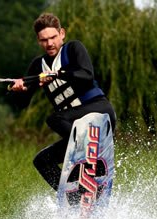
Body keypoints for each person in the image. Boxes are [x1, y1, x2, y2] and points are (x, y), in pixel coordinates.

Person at [10, 13, 116, 192]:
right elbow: (22, 104)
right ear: (38, 40)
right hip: (74, 127)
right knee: (42, 161)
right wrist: (19, 90)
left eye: (53, 37)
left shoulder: (73, 48)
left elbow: (87, 75)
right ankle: (72, 194)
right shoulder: (38, 65)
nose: (49, 43)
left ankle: (89, 155)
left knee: (54, 119)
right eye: (44, 40)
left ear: (62, 34)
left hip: (98, 111)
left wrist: (58, 74)